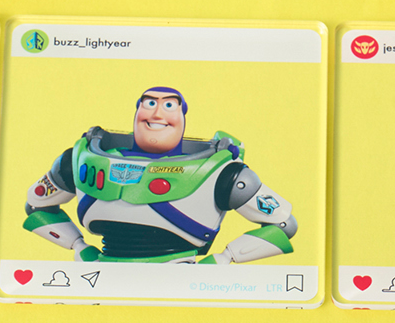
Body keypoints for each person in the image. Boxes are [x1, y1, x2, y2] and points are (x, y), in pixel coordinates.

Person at [23, 87, 298, 264]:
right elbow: (37, 205)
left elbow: (283, 223)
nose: (156, 113)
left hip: (178, 273)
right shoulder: (78, 159)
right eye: (149, 103)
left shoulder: (224, 173)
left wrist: (224, 259)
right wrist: (78, 246)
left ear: (181, 115)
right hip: (100, 270)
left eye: (168, 106)